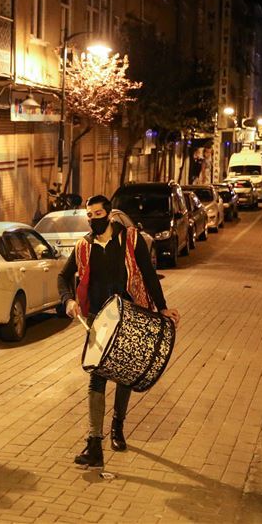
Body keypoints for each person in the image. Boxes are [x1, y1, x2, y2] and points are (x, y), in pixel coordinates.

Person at [58, 194, 181, 468]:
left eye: (98, 215)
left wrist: (162, 308)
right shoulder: (83, 247)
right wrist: (69, 300)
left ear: (109, 214)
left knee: (124, 374)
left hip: (128, 314)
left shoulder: (130, 239)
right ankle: (94, 443)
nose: (93, 221)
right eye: (89, 216)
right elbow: (62, 277)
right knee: (97, 376)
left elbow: (148, 274)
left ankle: (118, 427)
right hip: (96, 318)